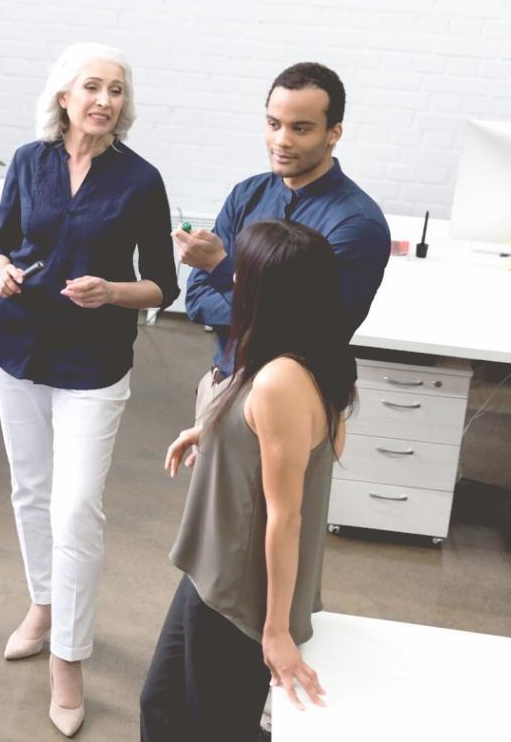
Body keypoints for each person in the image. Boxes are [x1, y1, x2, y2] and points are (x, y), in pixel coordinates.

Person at [0, 43, 178, 737]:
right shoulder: (29, 161)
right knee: (30, 492)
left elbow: (164, 283)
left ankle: (69, 659)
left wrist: (112, 292)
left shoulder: (140, 180)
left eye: (115, 90)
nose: (104, 99)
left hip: (93, 364)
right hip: (15, 349)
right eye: (90, 86)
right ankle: (42, 603)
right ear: (62, 96)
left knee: (75, 511)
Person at [140, 219, 355, 741]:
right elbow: (263, 433)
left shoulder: (282, 379)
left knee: (214, 727)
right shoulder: (298, 353)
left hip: (239, 588)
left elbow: (286, 516)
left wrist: (277, 630)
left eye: (244, 273)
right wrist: (209, 435)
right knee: (162, 706)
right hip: (211, 568)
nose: (234, 281)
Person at [176, 62, 389, 407]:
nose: (281, 141)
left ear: (333, 132)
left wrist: (220, 268)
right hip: (221, 386)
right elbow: (198, 300)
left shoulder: (356, 224)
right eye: (274, 124)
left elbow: (311, 332)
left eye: (300, 128)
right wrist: (265, 312)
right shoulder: (247, 195)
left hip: (296, 402)